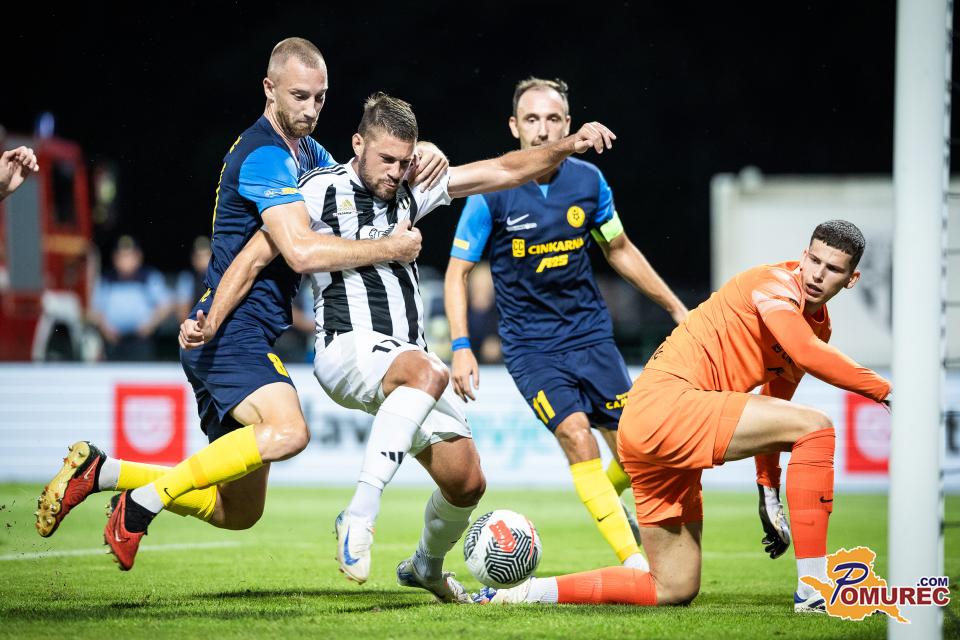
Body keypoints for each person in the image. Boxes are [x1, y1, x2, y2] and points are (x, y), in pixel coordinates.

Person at [181, 92, 617, 601]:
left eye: (404, 160)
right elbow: (256, 256)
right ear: (357, 144)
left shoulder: (412, 188)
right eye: (386, 159)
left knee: (467, 482)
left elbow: (503, 170)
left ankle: (425, 567)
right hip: (347, 346)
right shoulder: (317, 189)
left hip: (406, 358)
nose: (395, 171)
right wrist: (211, 318)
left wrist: (567, 146)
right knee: (427, 371)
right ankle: (359, 516)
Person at [34, 38, 443, 569]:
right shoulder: (264, 155)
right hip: (231, 330)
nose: (311, 109)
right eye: (299, 96)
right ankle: (141, 503)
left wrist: (423, 152)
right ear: (269, 89)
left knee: (238, 512)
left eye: (320, 97)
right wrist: (390, 247)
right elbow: (295, 252)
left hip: (235, 330)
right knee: (290, 431)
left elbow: (358, 171)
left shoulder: (307, 154)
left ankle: (102, 472)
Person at [474, 220, 891, 614]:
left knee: (672, 587)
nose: (817, 274)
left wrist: (768, 488)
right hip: (669, 406)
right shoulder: (774, 286)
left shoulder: (817, 328)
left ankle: (526, 593)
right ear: (803, 255)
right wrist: (888, 392)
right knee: (818, 427)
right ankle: (814, 590)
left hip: (653, 425)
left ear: (851, 279)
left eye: (832, 269)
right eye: (814, 260)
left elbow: (777, 399)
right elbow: (804, 354)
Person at [444, 77, 688, 570]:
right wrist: (462, 345)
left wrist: (675, 307)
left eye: (553, 119)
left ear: (568, 125)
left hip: (591, 336)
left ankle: (605, 497)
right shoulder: (492, 191)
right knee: (576, 435)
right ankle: (634, 563)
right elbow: (457, 272)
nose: (542, 129)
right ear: (514, 126)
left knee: (636, 453)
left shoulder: (589, 182)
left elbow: (619, 249)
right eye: (531, 119)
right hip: (531, 347)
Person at [89, 235, 173, 361]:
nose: (125, 261)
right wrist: (105, 328)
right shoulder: (106, 279)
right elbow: (95, 309)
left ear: (138, 257)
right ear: (115, 258)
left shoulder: (149, 277)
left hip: (141, 341)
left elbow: (167, 305)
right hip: (113, 342)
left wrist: (150, 325)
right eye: (122, 256)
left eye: (129, 256)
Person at [174, 236, 213, 321]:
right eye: (199, 257)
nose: (203, 260)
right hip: (194, 324)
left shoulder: (220, 278)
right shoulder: (186, 279)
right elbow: (182, 313)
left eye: (206, 255)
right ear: (193, 259)